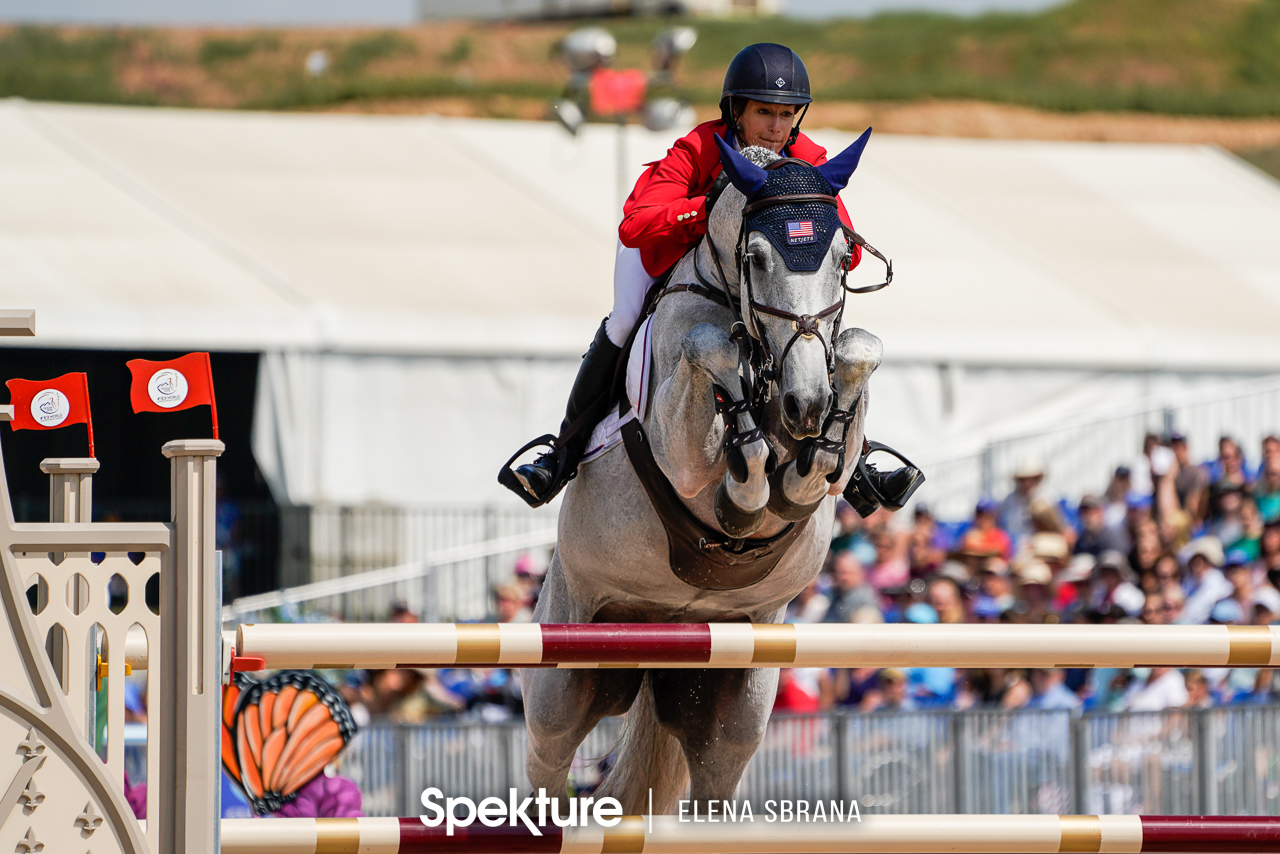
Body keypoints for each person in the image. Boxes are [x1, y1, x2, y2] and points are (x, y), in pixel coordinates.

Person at [500, 43, 922, 512]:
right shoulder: (698, 147)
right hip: (668, 252)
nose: (776, 127)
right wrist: (711, 209)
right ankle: (563, 453)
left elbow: (851, 253)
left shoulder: (807, 157)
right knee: (623, 321)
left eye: (787, 114)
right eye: (764, 112)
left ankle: (858, 459)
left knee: (807, 323)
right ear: (736, 110)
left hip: (755, 271)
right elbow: (636, 224)